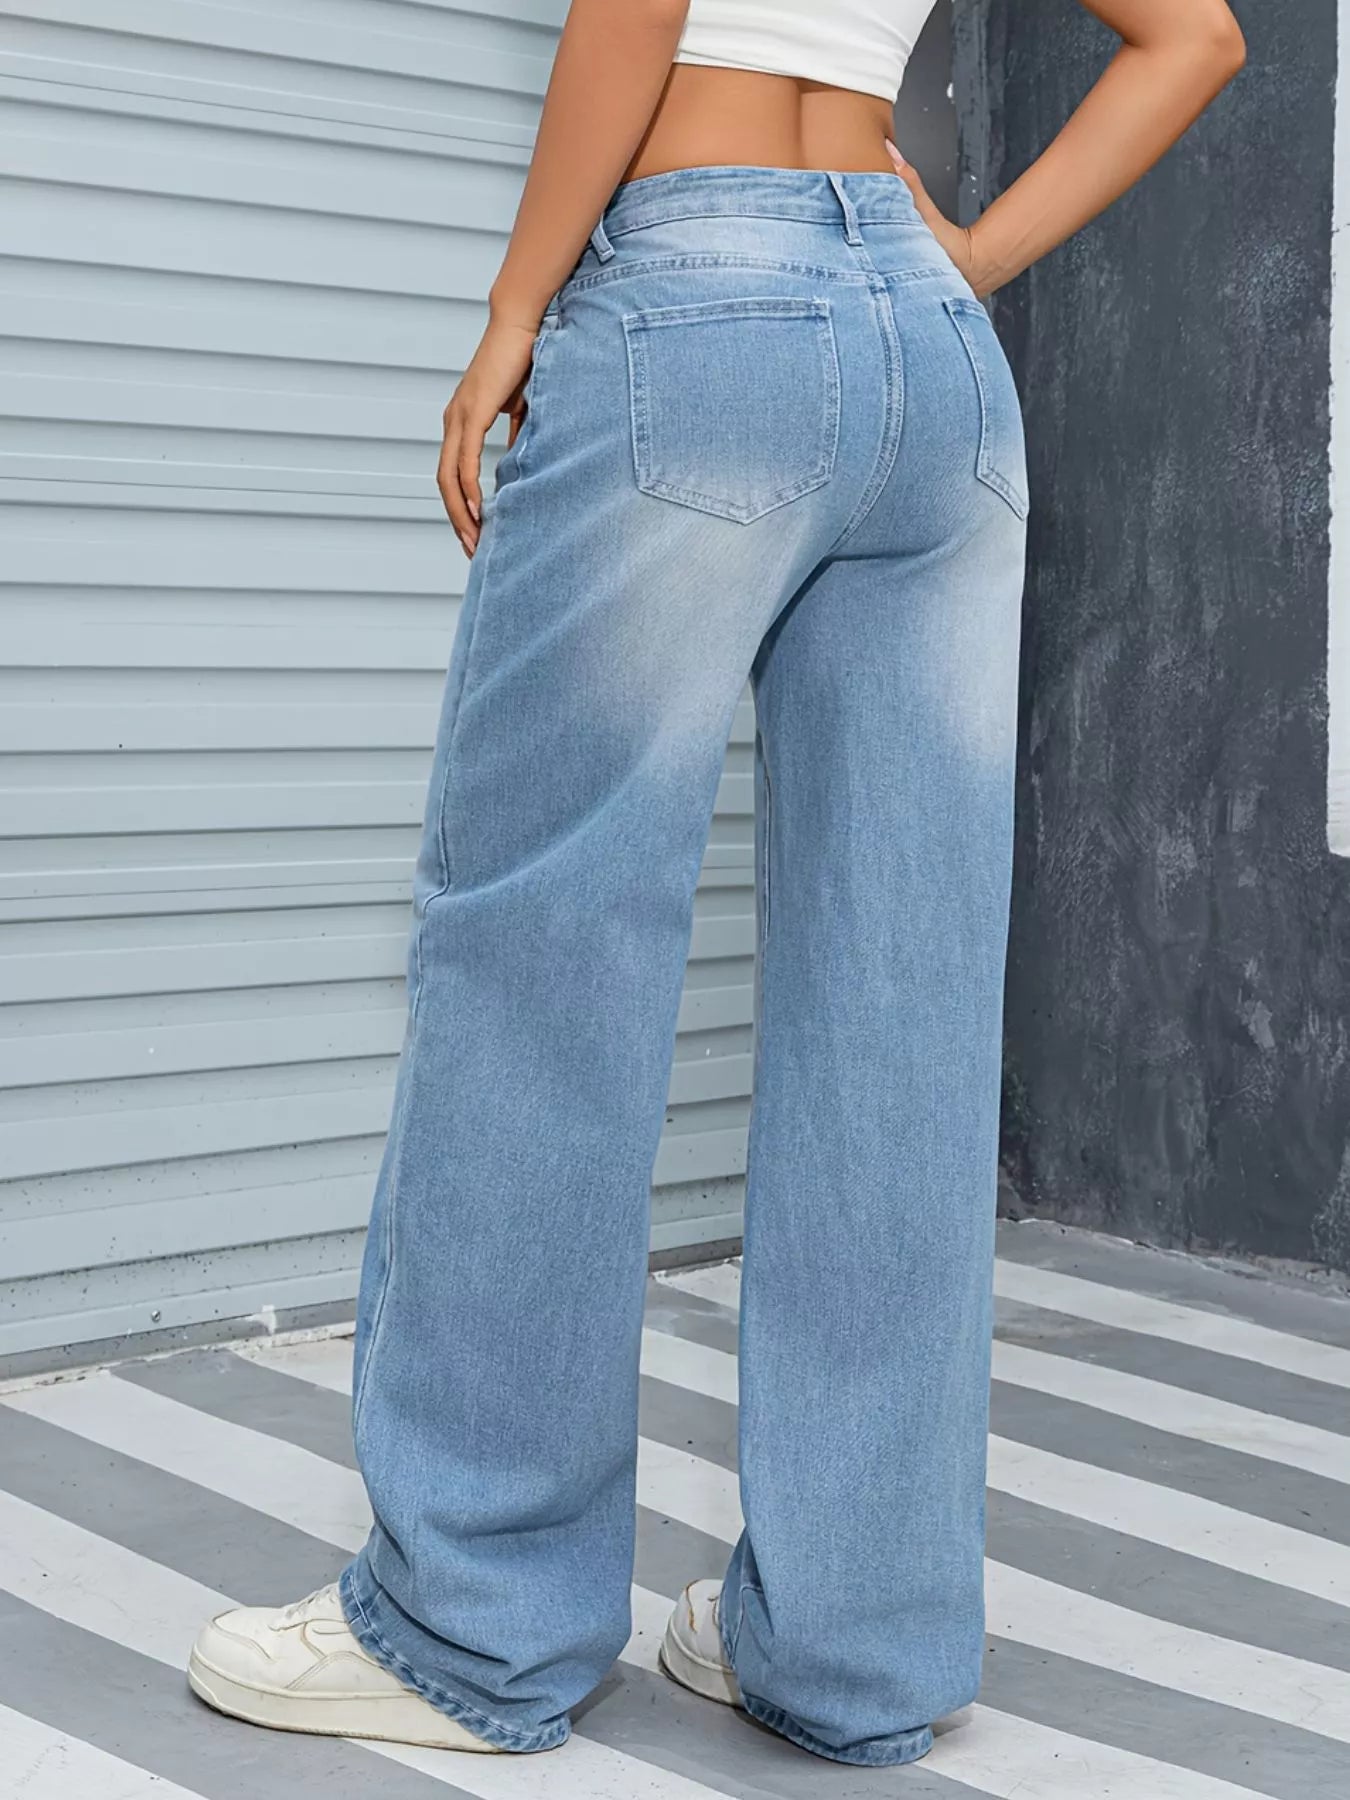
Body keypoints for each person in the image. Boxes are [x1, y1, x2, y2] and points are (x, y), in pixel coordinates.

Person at [187, 0, 1245, 1769]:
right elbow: (1193, 36)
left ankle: (470, 1624)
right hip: (927, 364)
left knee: (540, 960)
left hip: (700, 302)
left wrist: (517, 307)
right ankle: (852, 1649)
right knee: (897, 1020)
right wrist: (962, 258)